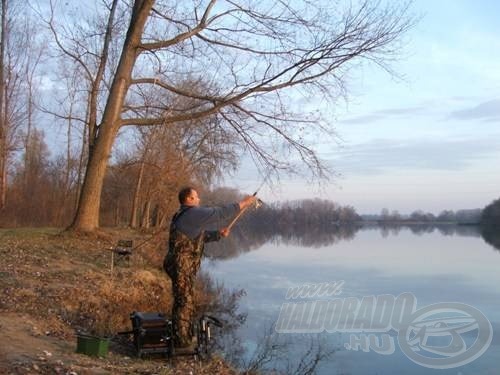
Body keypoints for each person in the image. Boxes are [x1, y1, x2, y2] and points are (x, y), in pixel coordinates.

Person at [163, 186, 257, 348]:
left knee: (184, 300)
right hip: (181, 266)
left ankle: (182, 335)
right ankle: (182, 342)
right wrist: (244, 203)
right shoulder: (193, 213)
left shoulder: (184, 215)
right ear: (189, 199)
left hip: (179, 265)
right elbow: (219, 213)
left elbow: (199, 237)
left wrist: (217, 235)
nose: (199, 199)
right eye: (196, 196)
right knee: (184, 302)